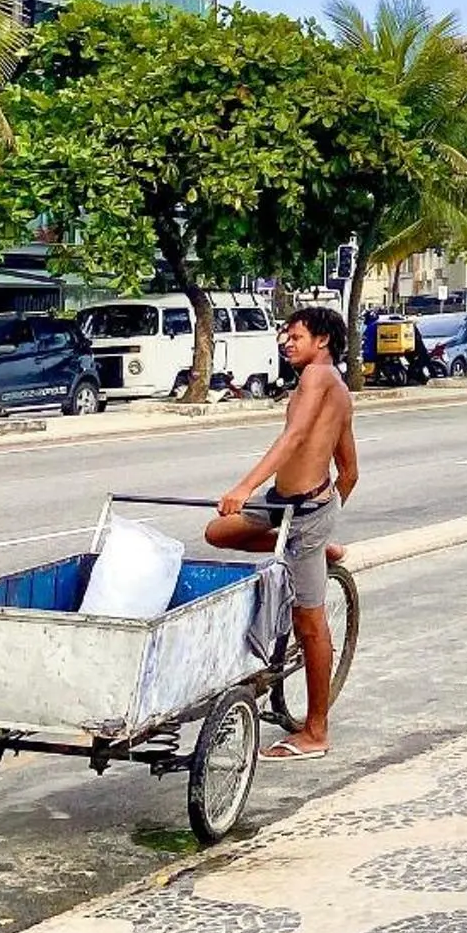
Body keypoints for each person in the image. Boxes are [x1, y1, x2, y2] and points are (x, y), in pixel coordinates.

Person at [206, 307, 359, 760]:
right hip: (282, 505)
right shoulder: (330, 386)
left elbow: (294, 439)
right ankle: (311, 549)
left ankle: (315, 733)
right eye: (285, 336)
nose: (286, 343)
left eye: (296, 336)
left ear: (323, 341)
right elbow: (349, 472)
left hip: (305, 512)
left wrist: (243, 486)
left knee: (309, 623)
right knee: (218, 532)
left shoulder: (320, 378)